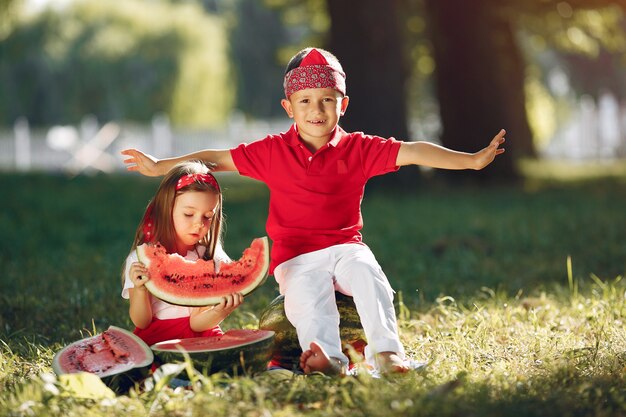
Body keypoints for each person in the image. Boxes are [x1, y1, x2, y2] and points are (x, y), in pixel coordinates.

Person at [121, 47, 505, 374]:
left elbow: (415, 149)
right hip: (295, 256)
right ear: (289, 107)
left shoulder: (360, 148)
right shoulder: (271, 152)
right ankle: (326, 357)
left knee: (369, 277)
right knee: (306, 299)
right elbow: (214, 159)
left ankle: (387, 353)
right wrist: (161, 165)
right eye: (305, 101)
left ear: (343, 105)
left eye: (327, 100)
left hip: (345, 246)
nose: (316, 110)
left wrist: (470, 161)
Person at [121, 160, 243, 346]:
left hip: (202, 337)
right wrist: (139, 290)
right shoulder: (140, 261)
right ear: (166, 209)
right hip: (158, 338)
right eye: (188, 214)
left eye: (208, 216)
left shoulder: (208, 260)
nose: (199, 224)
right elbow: (141, 322)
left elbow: (197, 322)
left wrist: (221, 311)